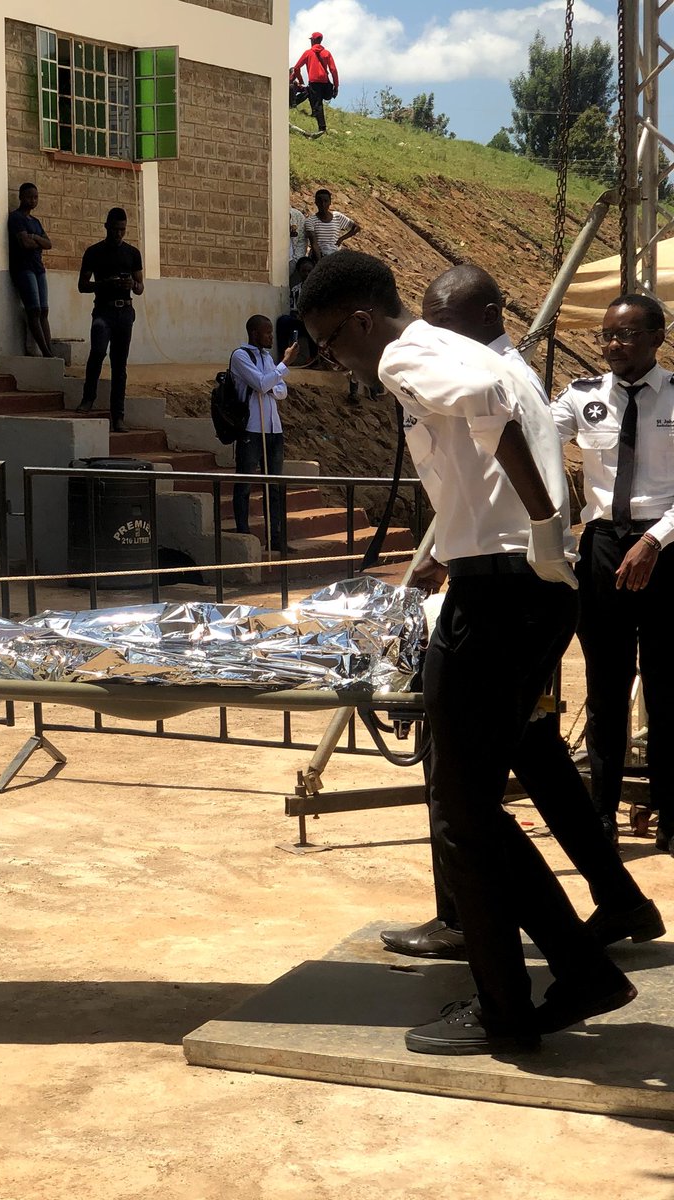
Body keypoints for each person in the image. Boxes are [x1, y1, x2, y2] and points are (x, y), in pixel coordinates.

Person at [299, 250, 636, 1055]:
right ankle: (572, 972)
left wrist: (544, 518)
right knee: (471, 810)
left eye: (326, 342)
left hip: (500, 597)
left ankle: (509, 1006)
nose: (332, 361)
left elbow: (488, 411)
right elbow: (484, 437)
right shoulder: (484, 353)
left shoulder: (409, 353)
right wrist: (475, 542)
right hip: (519, 590)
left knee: (460, 811)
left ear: (358, 321)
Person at [379, 264, 662, 962]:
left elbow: (508, 475)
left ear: (485, 315)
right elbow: (487, 486)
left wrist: (532, 528)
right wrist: (449, 547)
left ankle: (467, 920)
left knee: (460, 769)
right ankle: (620, 899)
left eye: (443, 318)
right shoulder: (536, 383)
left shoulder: (487, 378)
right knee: (535, 751)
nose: (434, 332)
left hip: (511, 589)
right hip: (534, 580)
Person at [551, 293, 674, 858]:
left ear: (656, 337)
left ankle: (670, 812)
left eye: (625, 334)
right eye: (606, 335)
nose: (613, 344)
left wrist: (654, 540)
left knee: (668, 686)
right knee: (605, 685)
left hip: (666, 546)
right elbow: (534, 436)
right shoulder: (582, 398)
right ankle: (599, 815)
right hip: (603, 546)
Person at [231, 315, 298, 549]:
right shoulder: (240, 356)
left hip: (273, 429)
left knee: (274, 484)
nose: (271, 336)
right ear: (254, 333)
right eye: (267, 332)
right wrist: (283, 366)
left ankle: (276, 537)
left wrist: (270, 382)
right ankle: (243, 534)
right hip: (252, 428)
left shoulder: (267, 358)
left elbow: (281, 391)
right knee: (245, 482)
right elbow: (261, 384)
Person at [76, 207, 144, 433]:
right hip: (103, 311)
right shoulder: (94, 252)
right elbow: (82, 285)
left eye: (122, 230)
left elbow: (141, 287)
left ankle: (118, 416)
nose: (119, 234)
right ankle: (88, 398)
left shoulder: (132, 253)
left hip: (124, 312)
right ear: (106, 227)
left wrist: (131, 285)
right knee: (96, 353)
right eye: (115, 229)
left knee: (119, 365)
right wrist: (105, 284)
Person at [8, 182, 54, 358]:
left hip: (38, 268)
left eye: (35, 197)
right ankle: (45, 351)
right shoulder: (16, 218)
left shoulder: (35, 222)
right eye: (29, 196)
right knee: (33, 310)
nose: (32, 200)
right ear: (21, 197)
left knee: (44, 310)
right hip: (24, 267)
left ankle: (49, 350)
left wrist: (34, 237)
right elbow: (24, 243)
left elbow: (48, 243)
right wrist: (37, 241)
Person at [292, 33, 339, 134]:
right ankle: (296, 105)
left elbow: (296, 68)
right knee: (317, 96)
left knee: (318, 104)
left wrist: (300, 81)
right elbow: (333, 70)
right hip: (325, 83)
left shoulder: (308, 53)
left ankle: (322, 128)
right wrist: (336, 86)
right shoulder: (327, 53)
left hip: (314, 83)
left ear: (312, 41)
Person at [276, 256, 318, 362]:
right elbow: (293, 309)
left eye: (309, 271)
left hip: (315, 322)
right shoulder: (296, 290)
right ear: (299, 272)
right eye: (304, 271)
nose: (307, 274)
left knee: (313, 326)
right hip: (300, 322)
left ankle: (313, 359)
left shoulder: (319, 289)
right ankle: (284, 354)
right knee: (283, 321)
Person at [304, 189, 358, 260]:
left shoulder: (337, 216)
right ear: (316, 202)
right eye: (320, 201)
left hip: (334, 256)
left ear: (330, 202)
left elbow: (356, 228)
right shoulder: (310, 221)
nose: (323, 204)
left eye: (326, 201)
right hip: (317, 256)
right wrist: (320, 262)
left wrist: (341, 239)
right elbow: (314, 244)